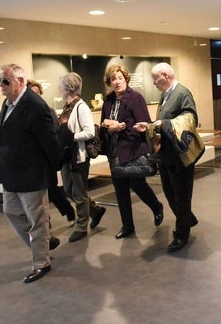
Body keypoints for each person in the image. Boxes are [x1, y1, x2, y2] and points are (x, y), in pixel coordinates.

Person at [0, 63, 62, 283]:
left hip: (31, 174)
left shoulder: (34, 105)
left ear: (20, 81)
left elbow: (50, 141)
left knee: (38, 221)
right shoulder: (8, 103)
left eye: (5, 81)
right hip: (11, 174)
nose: (1, 86)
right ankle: (43, 242)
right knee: (12, 212)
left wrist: (54, 167)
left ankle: (42, 263)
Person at [135, 62, 204, 252]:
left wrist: (161, 123)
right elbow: (160, 122)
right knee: (169, 192)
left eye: (155, 79)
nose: (154, 83)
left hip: (179, 155)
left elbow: (191, 118)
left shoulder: (182, 93)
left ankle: (182, 234)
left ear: (165, 75)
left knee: (181, 195)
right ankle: (187, 219)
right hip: (165, 155)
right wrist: (149, 125)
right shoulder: (165, 94)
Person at [100, 64, 164, 239]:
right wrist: (109, 126)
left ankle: (156, 206)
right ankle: (127, 226)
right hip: (114, 152)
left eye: (120, 78)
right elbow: (104, 122)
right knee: (120, 190)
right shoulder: (109, 100)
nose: (117, 82)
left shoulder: (135, 97)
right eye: (113, 79)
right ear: (109, 82)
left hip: (132, 149)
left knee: (137, 184)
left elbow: (145, 124)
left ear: (126, 79)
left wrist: (123, 127)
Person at [58, 72, 107, 242]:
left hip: (78, 157)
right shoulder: (67, 106)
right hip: (66, 156)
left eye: (61, 86)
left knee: (78, 192)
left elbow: (90, 132)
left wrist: (72, 137)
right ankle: (95, 210)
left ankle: (81, 226)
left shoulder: (81, 107)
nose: (59, 89)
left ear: (68, 88)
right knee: (68, 190)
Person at [27, 79, 76, 227]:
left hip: (47, 159)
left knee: (52, 190)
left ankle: (69, 211)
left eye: (38, 93)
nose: (36, 96)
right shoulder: (25, 114)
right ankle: (45, 224)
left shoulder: (49, 111)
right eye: (32, 93)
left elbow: (55, 134)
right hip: (32, 161)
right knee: (36, 195)